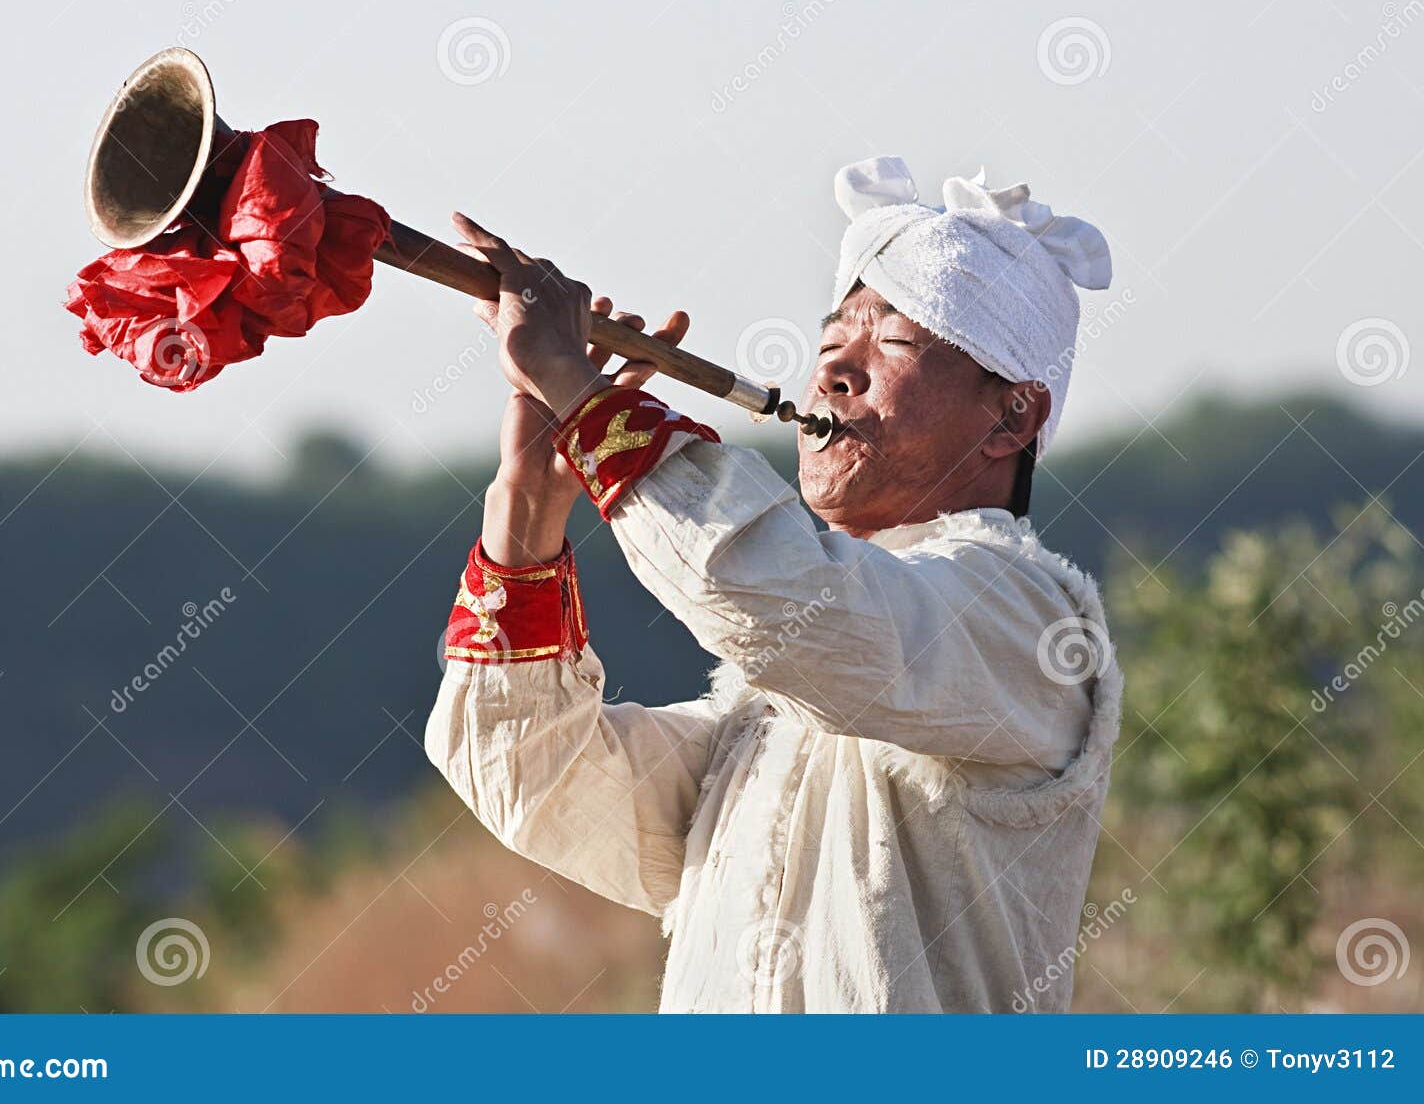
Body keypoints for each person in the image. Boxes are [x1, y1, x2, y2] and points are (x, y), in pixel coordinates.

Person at [425, 156, 1122, 1012]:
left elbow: (782, 600)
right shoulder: (764, 716)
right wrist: (528, 499)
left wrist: (581, 393)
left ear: (1013, 414)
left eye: (892, 343)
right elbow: (528, 771)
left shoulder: (1028, 620)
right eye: (829, 345)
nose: (832, 373)